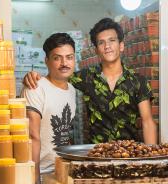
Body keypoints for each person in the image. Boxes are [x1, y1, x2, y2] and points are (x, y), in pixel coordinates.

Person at [23, 18, 157, 145]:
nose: (107, 46)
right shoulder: (86, 77)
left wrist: (154, 159)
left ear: (121, 45)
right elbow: (58, 75)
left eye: (112, 40)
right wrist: (32, 76)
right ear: (96, 50)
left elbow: (147, 121)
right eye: (101, 42)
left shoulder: (138, 80)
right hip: (96, 155)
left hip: (130, 153)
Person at [21, 33, 76, 184]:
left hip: (62, 171)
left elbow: (64, 133)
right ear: (47, 61)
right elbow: (32, 137)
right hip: (43, 174)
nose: (64, 63)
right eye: (57, 58)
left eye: (69, 57)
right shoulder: (35, 88)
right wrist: (34, 179)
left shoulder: (72, 90)